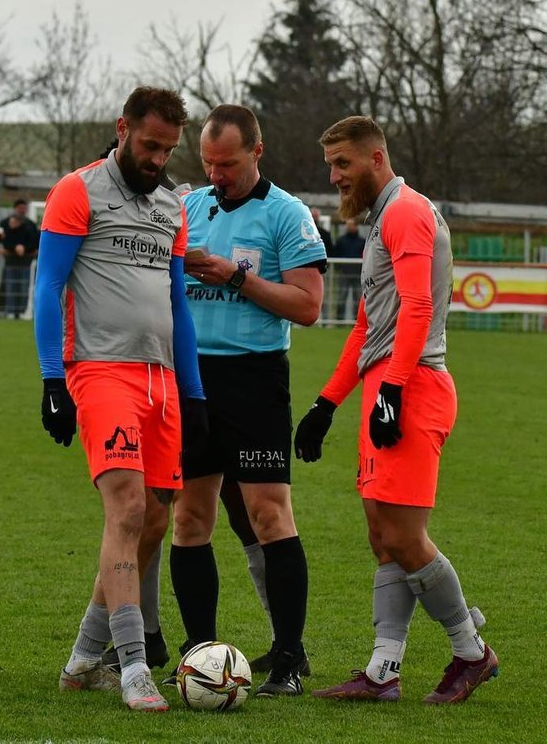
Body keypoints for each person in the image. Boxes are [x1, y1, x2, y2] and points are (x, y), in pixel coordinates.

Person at [295, 115, 496, 705]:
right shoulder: (384, 218)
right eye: (330, 166)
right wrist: (326, 403)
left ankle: (471, 652)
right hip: (391, 383)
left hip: (413, 385)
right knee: (382, 537)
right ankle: (383, 672)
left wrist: (394, 390)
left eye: (343, 164)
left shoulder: (406, 211)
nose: (335, 177)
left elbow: (416, 307)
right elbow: (367, 327)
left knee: (405, 538)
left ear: (376, 158)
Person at [38, 86, 208, 712]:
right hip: (101, 370)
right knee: (128, 508)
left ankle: (83, 659)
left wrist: (194, 393)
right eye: (149, 145)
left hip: (162, 381)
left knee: (155, 520)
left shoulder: (172, 206)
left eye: (168, 150)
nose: (158, 160)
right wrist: (52, 380)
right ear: (122, 129)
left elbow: (178, 303)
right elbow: (48, 285)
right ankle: (133, 667)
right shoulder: (77, 190)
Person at [156, 104, 327, 697]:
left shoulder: (287, 214)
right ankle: (199, 654)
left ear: (257, 151)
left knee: (268, 515)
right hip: (192, 380)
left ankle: (289, 659)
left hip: (254, 379)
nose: (216, 174)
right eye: (208, 163)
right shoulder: (189, 208)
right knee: (190, 518)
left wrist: (235, 276)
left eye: (226, 164)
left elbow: (308, 306)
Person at [0, 199, 39, 318]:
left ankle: (21, 311)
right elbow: (2, 240)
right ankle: (10, 310)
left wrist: (25, 248)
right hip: (10, 260)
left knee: (24, 286)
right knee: (10, 285)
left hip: (25, 261)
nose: (22, 210)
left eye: (24, 208)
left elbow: (35, 241)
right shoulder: (5, 224)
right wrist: (14, 247)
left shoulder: (30, 225)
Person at [332, 217, 367, 322]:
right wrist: (339, 268)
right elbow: (336, 254)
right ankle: (339, 321)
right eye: (348, 225)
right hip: (344, 273)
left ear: (356, 226)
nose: (349, 227)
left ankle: (357, 321)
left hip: (357, 274)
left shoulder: (362, 241)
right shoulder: (341, 241)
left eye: (351, 225)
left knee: (358, 298)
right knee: (341, 297)